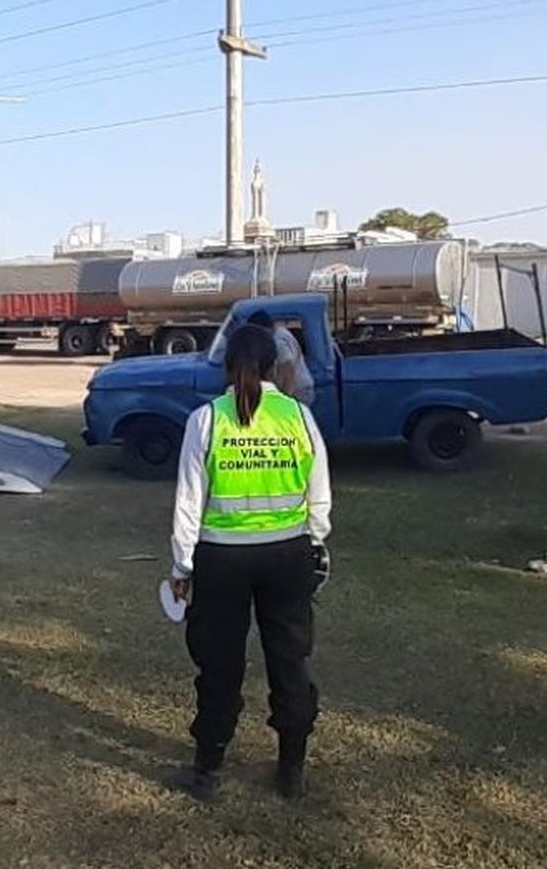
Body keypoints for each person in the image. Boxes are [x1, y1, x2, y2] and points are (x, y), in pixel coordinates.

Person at [167, 323, 332, 802]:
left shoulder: (206, 420)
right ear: (273, 366)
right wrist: (315, 544)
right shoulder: (299, 416)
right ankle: (291, 771)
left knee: (219, 666)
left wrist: (182, 568)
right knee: (290, 661)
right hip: (289, 556)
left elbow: (188, 504)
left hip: (220, 561)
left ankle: (207, 771)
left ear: (226, 364)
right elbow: (318, 494)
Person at [247, 310, 315, 405]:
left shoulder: (278, 344)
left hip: (297, 391)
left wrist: (286, 399)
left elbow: (288, 372)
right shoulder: (281, 331)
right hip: (302, 388)